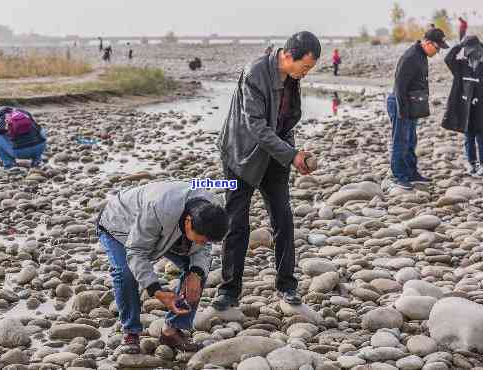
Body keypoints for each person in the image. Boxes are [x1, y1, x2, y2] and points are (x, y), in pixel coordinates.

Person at [213, 31, 320, 311]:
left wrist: (293, 154)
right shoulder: (256, 73)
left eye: (310, 69)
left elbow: (285, 121)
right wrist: (292, 155)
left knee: (283, 219)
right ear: (287, 56)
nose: (306, 73)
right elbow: (256, 126)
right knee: (236, 223)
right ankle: (229, 291)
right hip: (241, 156)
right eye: (305, 67)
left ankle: (287, 286)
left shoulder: (292, 77)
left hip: (275, 155)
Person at [97, 181, 228, 353]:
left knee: (198, 270)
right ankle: (131, 332)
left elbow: (203, 249)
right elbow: (136, 251)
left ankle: (172, 330)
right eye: (201, 239)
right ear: (188, 222)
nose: (204, 244)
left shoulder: (213, 211)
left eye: (207, 241)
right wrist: (156, 291)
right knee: (126, 274)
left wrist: (195, 273)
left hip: (167, 231)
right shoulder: (158, 209)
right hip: (118, 225)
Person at [386, 28, 448, 190]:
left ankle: (411, 173)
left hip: (411, 104)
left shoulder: (421, 55)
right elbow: (400, 86)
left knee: (411, 141)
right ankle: (398, 176)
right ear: (428, 43)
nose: (438, 51)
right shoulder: (411, 57)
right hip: (400, 103)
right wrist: (402, 110)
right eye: (437, 47)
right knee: (401, 141)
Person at [442, 36, 483, 177]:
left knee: (481, 137)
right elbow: (448, 59)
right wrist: (459, 45)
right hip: (466, 107)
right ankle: (471, 164)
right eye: (467, 51)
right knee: (468, 137)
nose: (470, 55)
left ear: (479, 49)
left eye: (472, 51)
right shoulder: (462, 65)